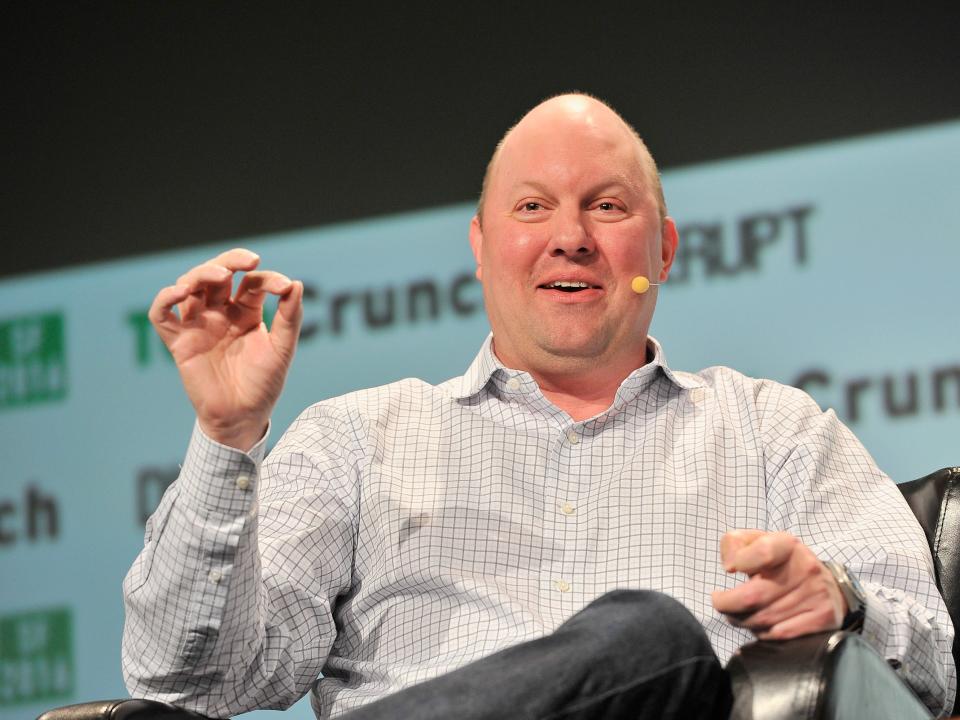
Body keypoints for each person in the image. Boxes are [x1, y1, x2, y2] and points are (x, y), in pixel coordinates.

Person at [123, 93, 955, 719]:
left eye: (607, 205)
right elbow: (188, 683)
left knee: (652, 641)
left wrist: (842, 600)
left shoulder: (776, 431)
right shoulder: (357, 440)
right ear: (482, 250)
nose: (572, 237)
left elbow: (933, 663)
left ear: (662, 250)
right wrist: (227, 439)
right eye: (532, 208)